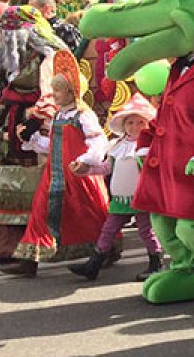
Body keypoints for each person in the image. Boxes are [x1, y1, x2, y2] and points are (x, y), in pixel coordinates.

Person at [0, 5, 66, 263]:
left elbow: (52, 94)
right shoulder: (11, 58)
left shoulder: (46, 58)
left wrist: (37, 120)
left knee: (23, 190)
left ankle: (20, 248)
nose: (4, 36)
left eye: (9, 31)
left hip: (29, 129)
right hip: (5, 125)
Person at [0, 64, 111, 277]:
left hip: (78, 174)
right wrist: (30, 139)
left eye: (58, 90)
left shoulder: (83, 116)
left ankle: (106, 249)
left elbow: (98, 141)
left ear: (71, 91)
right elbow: (51, 145)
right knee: (40, 212)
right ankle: (28, 261)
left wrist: (86, 160)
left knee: (90, 213)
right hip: (54, 174)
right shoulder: (58, 116)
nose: (54, 95)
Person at [68, 94, 165, 282]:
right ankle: (94, 264)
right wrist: (85, 169)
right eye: (130, 123)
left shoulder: (149, 146)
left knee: (146, 230)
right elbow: (106, 168)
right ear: (123, 125)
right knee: (108, 229)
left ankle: (157, 263)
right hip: (120, 198)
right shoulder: (117, 145)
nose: (135, 127)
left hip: (141, 198)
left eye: (140, 122)